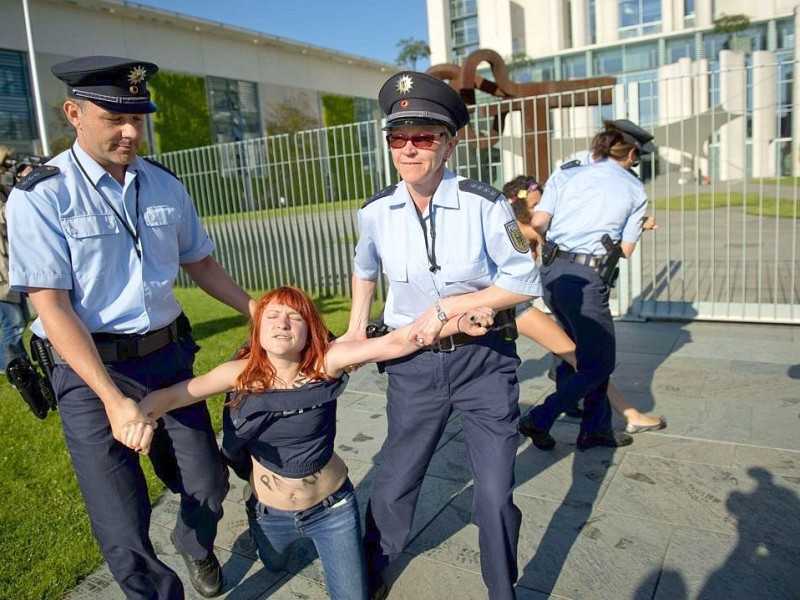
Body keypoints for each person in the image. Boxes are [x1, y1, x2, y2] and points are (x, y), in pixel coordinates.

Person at [6, 55, 256, 599]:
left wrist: (254, 308)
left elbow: (200, 261)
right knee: (122, 525)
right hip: (87, 372)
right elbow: (52, 307)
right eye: (113, 118)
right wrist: (114, 403)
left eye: (138, 118)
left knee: (208, 486)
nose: (129, 131)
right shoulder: (41, 196)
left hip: (166, 359)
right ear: (73, 113)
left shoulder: (164, 184)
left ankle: (195, 546)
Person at [121, 285, 494, 600]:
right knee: (275, 564)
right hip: (270, 515)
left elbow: (398, 341)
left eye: (294, 317)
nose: (282, 323)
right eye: (272, 316)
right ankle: (261, 526)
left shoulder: (326, 363)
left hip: (332, 511)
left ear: (309, 329)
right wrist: (140, 415)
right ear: (258, 330)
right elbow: (172, 396)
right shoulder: (242, 375)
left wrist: (455, 321)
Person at [341, 71, 541, 600]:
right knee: (395, 480)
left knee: (495, 495)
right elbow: (365, 268)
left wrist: (460, 305)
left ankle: (503, 589)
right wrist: (356, 326)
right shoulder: (374, 212)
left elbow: (523, 280)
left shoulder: (486, 203)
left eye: (424, 137)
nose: (408, 149)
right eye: (397, 138)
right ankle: (373, 569)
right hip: (414, 367)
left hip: (484, 364)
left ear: (451, 142)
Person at [517, 119, 656, 451]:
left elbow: (538, 221)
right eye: (637, 159)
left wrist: (565, 243)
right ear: (631, 154)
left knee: (578, 352)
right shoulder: (634, 188)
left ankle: (596, 430)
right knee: (600, 362)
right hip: (587, 280)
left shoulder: (567, 171)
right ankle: (541, 416)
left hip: (552, 274)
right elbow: (626, 250)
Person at [503, 175, 666, 434]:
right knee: (586, 359)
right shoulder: (517, 233)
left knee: (575, 353)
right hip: (512, 308)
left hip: (522, 304)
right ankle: (626, 414)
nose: (543, 211)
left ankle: (570, 393)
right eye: (534, 206)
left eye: (543, 204)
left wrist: (635, 224)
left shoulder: (539, 229)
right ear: (519, 211)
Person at [0, 146, 31, 371]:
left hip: (12, 267)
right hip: (1, 273)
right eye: (5, 165)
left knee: (22, 318)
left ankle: (21, 364)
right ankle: (10, 367)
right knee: (13, 323)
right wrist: (23, 186)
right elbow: (6, 215)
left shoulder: (4, 189)